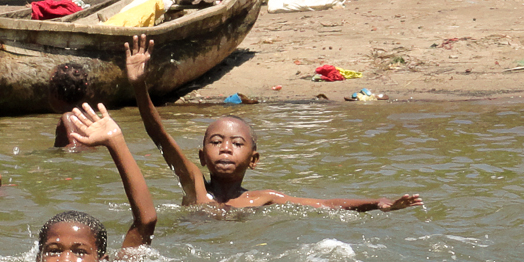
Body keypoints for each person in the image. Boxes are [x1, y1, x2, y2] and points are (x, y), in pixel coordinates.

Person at [124, 35, 423, 212]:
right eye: (215, 142)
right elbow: (159, 136)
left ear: (253, 160)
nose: (225, 148)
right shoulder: (195, 186)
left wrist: (377, 203)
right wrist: (140, 86)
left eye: (236, 143)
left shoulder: (262, 199)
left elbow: (324, 205)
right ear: (202, 157)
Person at [36, 103, 156, 262]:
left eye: (80, 252)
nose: (65, 261)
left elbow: (146, 221)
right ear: (38, 261)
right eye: (54, 250)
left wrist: (116, 142)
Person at [47, 62, 93, 149]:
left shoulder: (68, 117)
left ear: (55, 93)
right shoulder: (88, 117)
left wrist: (50, 155)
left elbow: (74, 146)